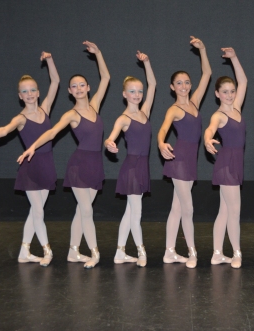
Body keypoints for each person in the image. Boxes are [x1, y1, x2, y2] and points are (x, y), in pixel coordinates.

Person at [17, 41, 110, 269]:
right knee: (87, 210)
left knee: (81, 211)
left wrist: (98, 54)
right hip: (78, 166)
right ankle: (94, 253)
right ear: (69, 92)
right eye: (74, 87)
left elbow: (106, 78)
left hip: (96, 165)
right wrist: (32, 147)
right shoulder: (71, 114)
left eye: (81, 85)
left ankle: (72, 251)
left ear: (88, 88)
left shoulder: (95, 105)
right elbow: (51, 132)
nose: (78, 89)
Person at [0, 52, 59, 267]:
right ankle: (47, 251)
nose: (29, 94)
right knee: (38, 211)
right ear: (20, 96)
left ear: (38, 92)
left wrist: (49, 60)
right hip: (30, 167)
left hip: (46, 165)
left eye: (32, 90)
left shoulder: (45, 109)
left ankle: (24, 252)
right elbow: (3, 130)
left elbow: (56, 81)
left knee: (35, 212)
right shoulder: (20, 119)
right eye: (24, 92)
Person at [157, 36, 212, 268]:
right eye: (179, 83)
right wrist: (161, 143)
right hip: (178, 160)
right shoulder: (174, 109)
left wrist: (202, 49)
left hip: (191, 160)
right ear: (172, 87)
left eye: (186, 82)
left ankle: (169, 252)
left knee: (177, 208)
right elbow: (162, 130)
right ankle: (192, 252)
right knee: (187, 208)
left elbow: (207, 74)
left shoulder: (195, 102)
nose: (184, 86)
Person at [104, 51, 156, 267]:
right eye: (132, 92)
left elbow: (153, 84)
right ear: (124, 94)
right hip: (132, 167)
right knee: (137, 212)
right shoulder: (123, 118)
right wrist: (109, 143)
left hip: (142, 166)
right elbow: (111, 136)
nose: (137, 94)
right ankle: (141, 251)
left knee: (129, 211)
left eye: (139, 91)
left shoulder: (144, 112)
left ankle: (120, 252)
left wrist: (147, 63)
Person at [204, 47, 247, 269]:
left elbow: (243, 80)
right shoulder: (218, 115)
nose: (230, 95)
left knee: (224, 211)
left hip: (235, 163)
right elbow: (210, 130)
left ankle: (217, 253)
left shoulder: (237, 108)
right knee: (234, 212)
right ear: (217, 94)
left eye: (232, 91)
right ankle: (236, 253)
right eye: (225, 92)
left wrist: (234, 58)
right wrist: (207, 139)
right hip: (226, 165)